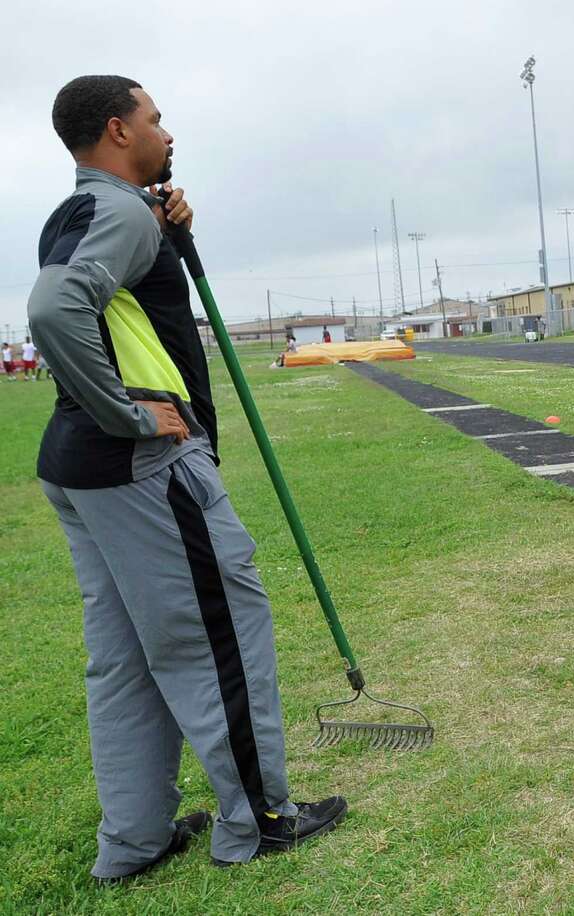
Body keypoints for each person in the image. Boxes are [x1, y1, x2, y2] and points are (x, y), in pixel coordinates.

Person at [27, 75, 345, 883]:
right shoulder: (121, 214)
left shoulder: (85, 213)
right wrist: (131, 416)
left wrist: (170, 235)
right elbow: (56, 310)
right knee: (222, 637)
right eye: (155, 118)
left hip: (83, 471)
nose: (168, 131)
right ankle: (261, 820)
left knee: (128, 660)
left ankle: (133, 844)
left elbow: (113, 309)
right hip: (143, 468)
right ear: (118, 130)